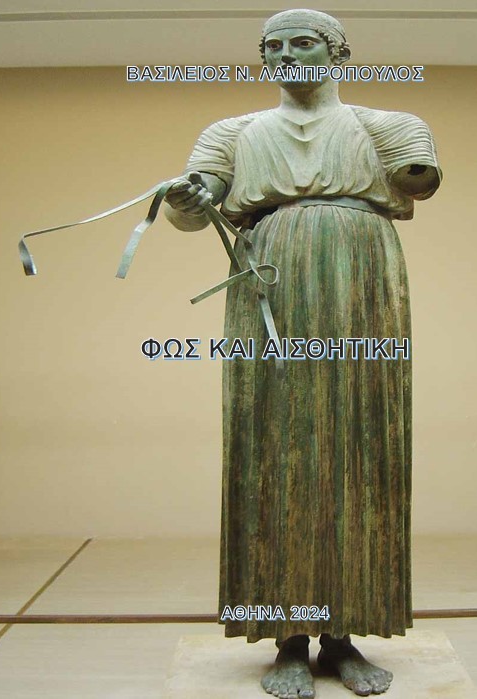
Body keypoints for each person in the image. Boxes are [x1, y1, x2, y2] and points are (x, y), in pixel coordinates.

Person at [164, 9, 441, 698]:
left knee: (359, 442)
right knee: (273, 445)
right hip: (271, 276)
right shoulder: (231, 133)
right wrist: (187, 196)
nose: (287, 54)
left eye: (304, 42)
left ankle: (342, 634)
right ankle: (287, 637)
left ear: (338, 53)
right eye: (275, 46)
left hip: (361, 273)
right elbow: (191, 210)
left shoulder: (387, 124)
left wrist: (411, 169)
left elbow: (419, 177)